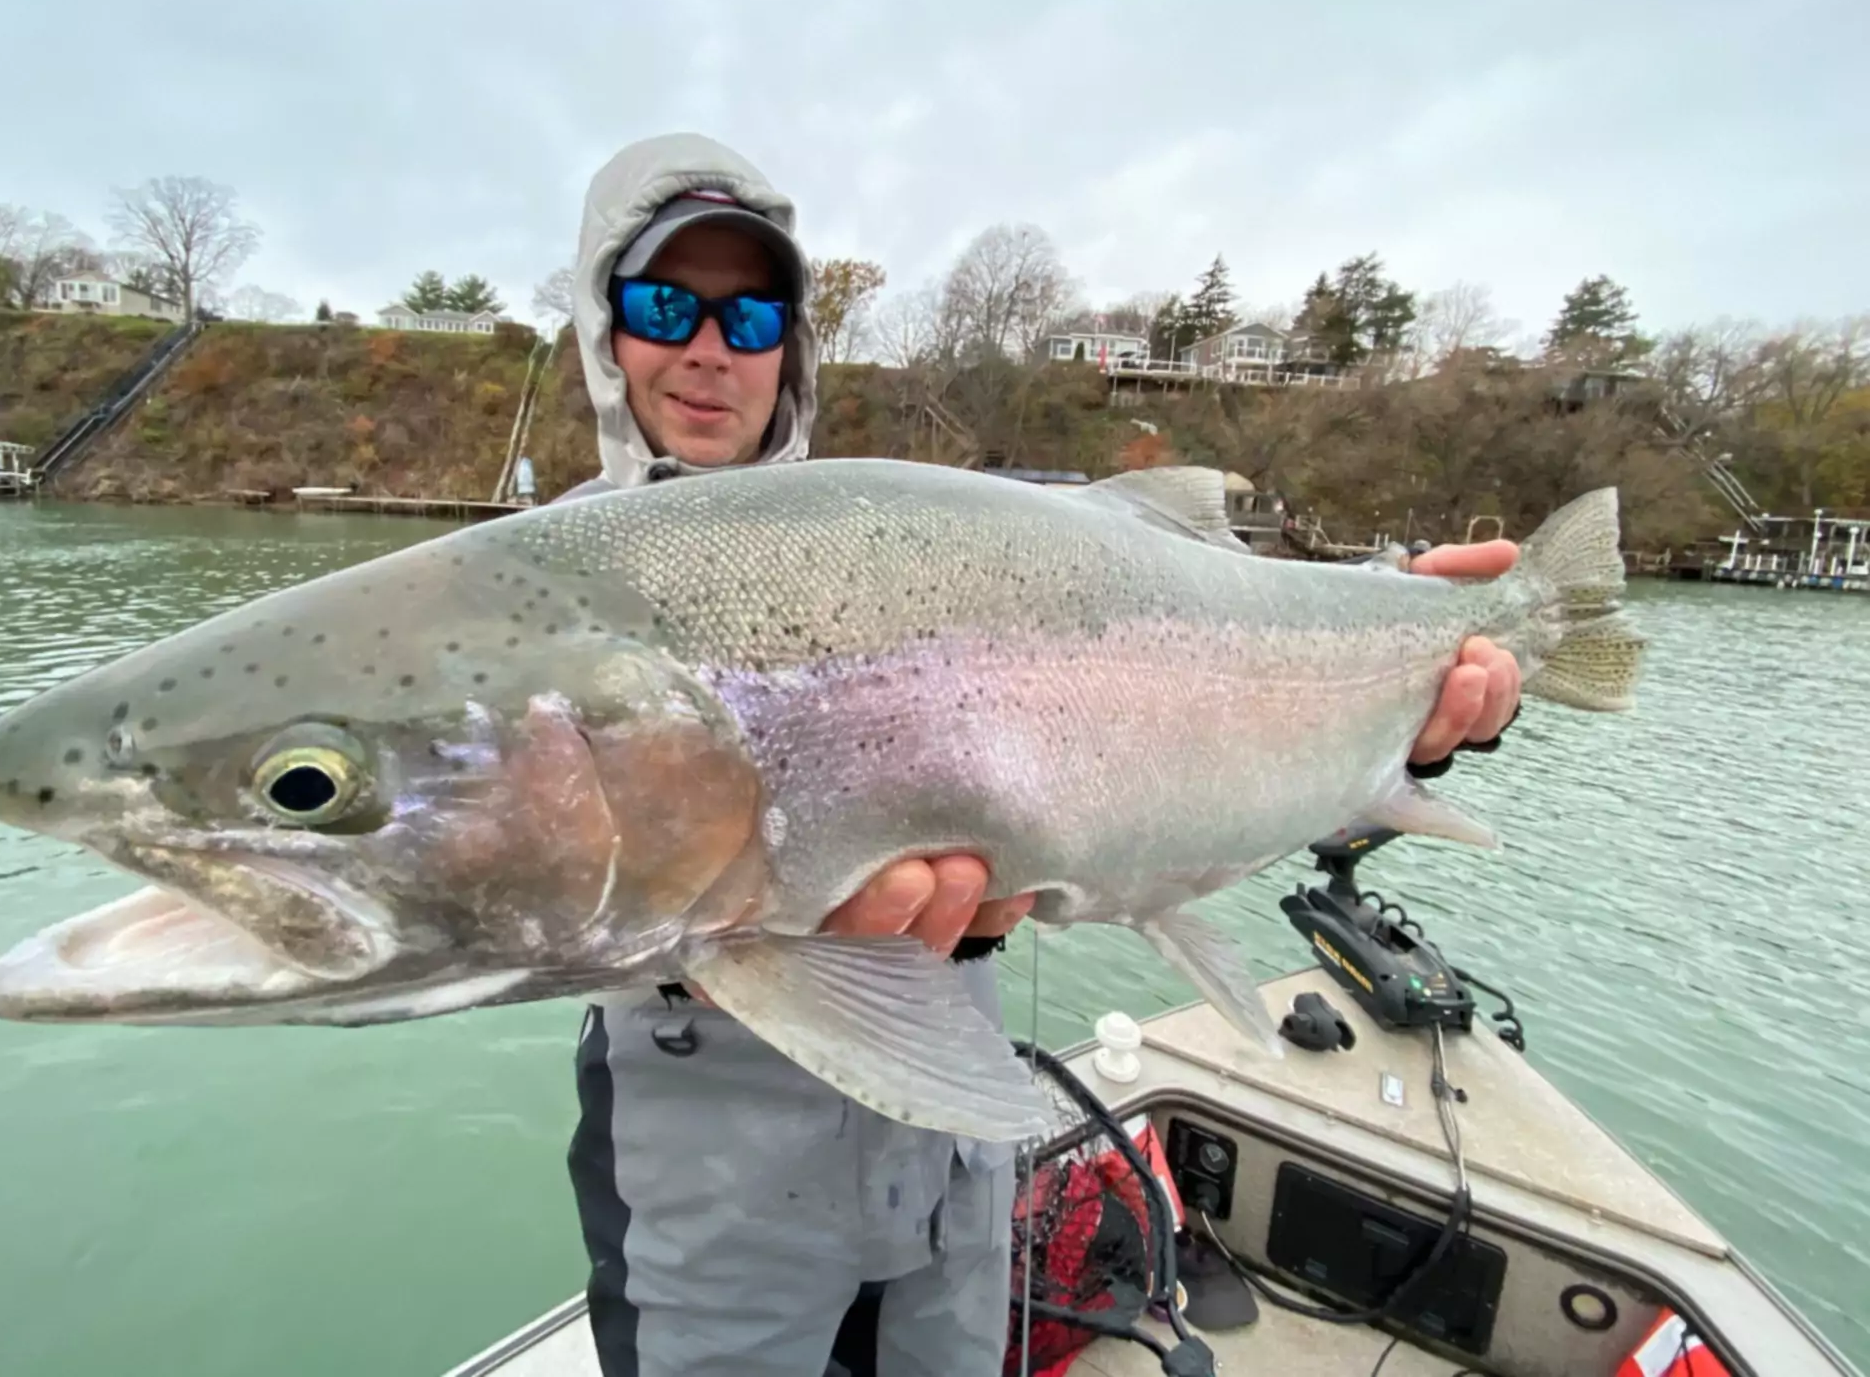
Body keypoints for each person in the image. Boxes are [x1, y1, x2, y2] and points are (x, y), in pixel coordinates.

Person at [556, 132, 1523, 1377]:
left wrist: (1413, 724)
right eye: (661, 304)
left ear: (787, 346)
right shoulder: (543, 592)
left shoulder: (917, 533)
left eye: (750, 316)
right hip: (706, 1167)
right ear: (604, 326)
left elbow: (1187, 776)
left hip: (952, 1142)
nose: (705, 346)